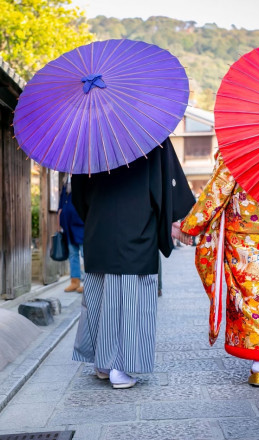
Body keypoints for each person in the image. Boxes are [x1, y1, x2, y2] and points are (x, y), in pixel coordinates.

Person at [71, 138, 195, 389]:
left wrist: (96, 217)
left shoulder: (89, 136)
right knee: (130, 299)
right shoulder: (149, 134)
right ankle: (120, 366)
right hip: (135, 228)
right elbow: (166, 186)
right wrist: (172, 219)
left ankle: (102, 364)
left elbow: (78, 195)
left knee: (100, 296)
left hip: (99, 228)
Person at [179, 152, 259, 387]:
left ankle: (256, 360)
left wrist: (191, 224)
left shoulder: (240, 146)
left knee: (247, 294)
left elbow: (219, 189)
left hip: (244, 237)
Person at [58, 174, 85, 293]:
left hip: (80, 221)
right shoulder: (65, 180)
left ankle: (88, 282)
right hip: (67, 224)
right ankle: (75, 281)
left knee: (85, 253)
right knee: (73, 253)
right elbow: (61, 201)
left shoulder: (82, 175)